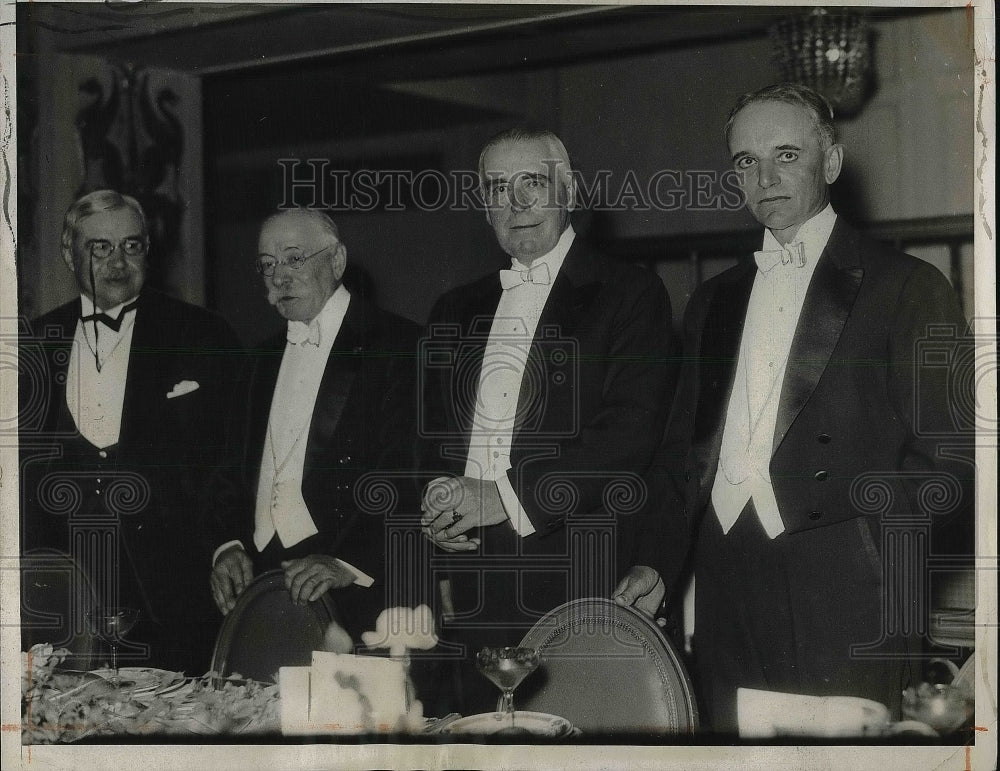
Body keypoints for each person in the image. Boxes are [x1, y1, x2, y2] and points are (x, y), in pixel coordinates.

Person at [614, 83, 974, 732]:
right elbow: (681, 456)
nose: (766, 177)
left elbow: (950, 463)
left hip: (848, 596)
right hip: (723, 590)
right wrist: (658, 560)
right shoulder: (712, 301)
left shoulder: (908, 287)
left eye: (785, 153)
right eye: (746, 162)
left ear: (830, 163)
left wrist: (864, 545)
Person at [420, 128, 674, 713]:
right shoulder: (454, 308)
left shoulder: (630, 293)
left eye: (532, 183)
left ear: (570, 189)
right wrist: (434, 506)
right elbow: (431, 441)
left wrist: (504, 497)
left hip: (577, 572)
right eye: (498, 189)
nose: (516, 204)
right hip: (471, 579)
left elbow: (628, 436)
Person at [19, 189, 243, 673]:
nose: (117, 262)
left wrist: (227, 543)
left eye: (131, 246)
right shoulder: (32, 345)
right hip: (62, 603)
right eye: (99, 247)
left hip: (176, 598)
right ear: (67, 252)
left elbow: (232, 455)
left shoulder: (204, 334)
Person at [209, 208, 421, 646]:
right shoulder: (257, 361)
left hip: (364, 594)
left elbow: (411, 471)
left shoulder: (401, 345)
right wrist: (228, 544)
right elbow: (229, 471)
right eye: (267, 265)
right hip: (265, 596)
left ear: (338, 261)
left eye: (294, 258)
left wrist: (346, 561)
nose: (279, 277)